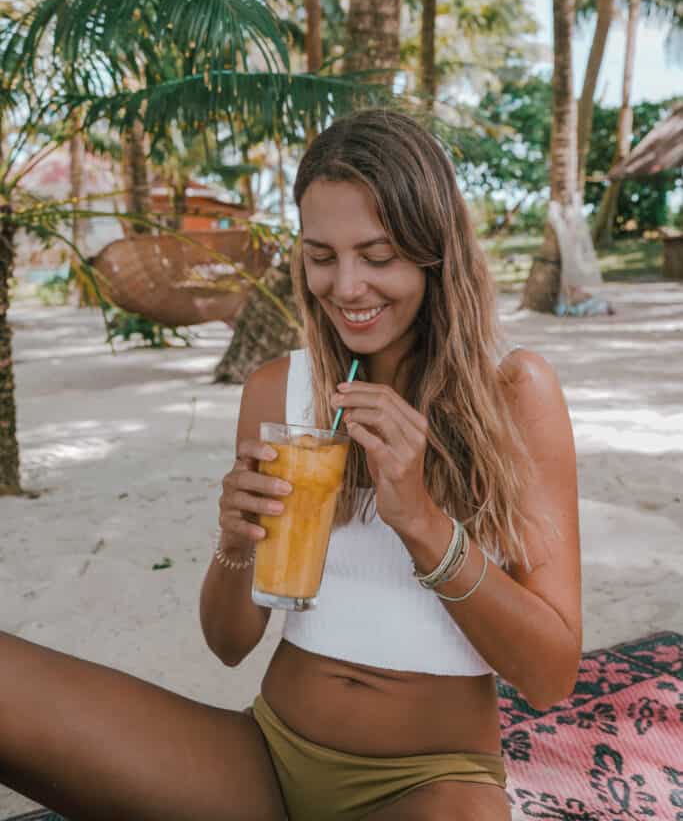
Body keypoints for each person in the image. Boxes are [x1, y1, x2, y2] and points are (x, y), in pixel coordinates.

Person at [0, 109, 581, 821]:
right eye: (320, 255)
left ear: (435, 251)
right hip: (265, 762)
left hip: (434, 782)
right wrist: (236, 543)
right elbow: (228, 645)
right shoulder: (280, 390)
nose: (345, 287)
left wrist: (424, 525)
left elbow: (550, 675)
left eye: (377, 255)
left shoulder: (512, 392)